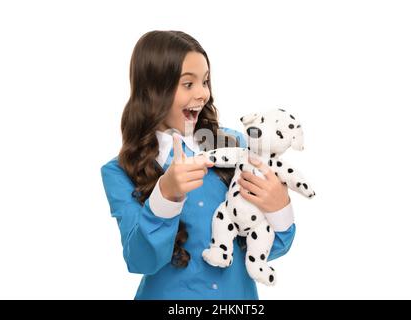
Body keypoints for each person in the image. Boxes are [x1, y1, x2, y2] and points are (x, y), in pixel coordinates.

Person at [100, 30, 296, 300]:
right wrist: (165, 197)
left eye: (205, 81)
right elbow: (141, 262)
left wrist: (279, 209)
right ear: (154, 89)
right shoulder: (119, 171)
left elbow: (267, 249)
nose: (203, 94)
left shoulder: (237, 146)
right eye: (188, 84)